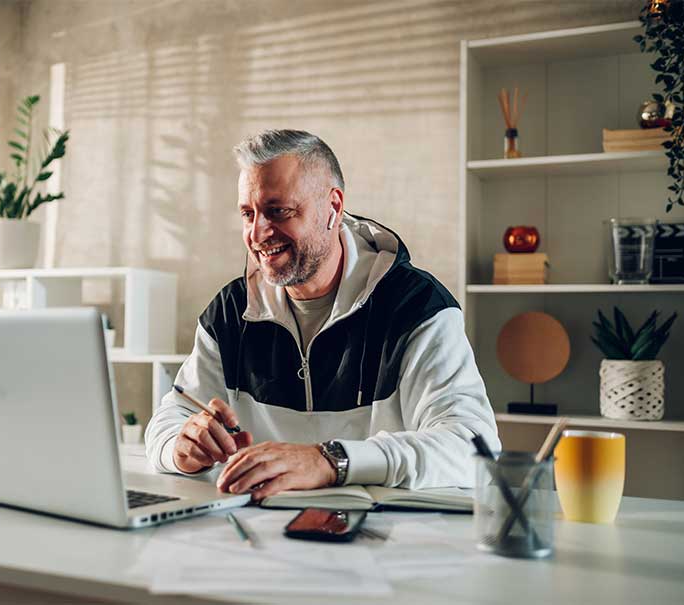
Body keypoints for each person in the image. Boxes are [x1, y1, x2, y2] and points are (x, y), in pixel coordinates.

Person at [145, 129, 500, 501]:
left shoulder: (417, 306)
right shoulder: (231, 311)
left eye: (278, 211)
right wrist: (181, 447)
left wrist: (332, 461)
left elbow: (474, 449)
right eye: (248, 214)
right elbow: (168, 423)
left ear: (333, 207)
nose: (258, 233)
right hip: (255, 540)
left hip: (383, 544)